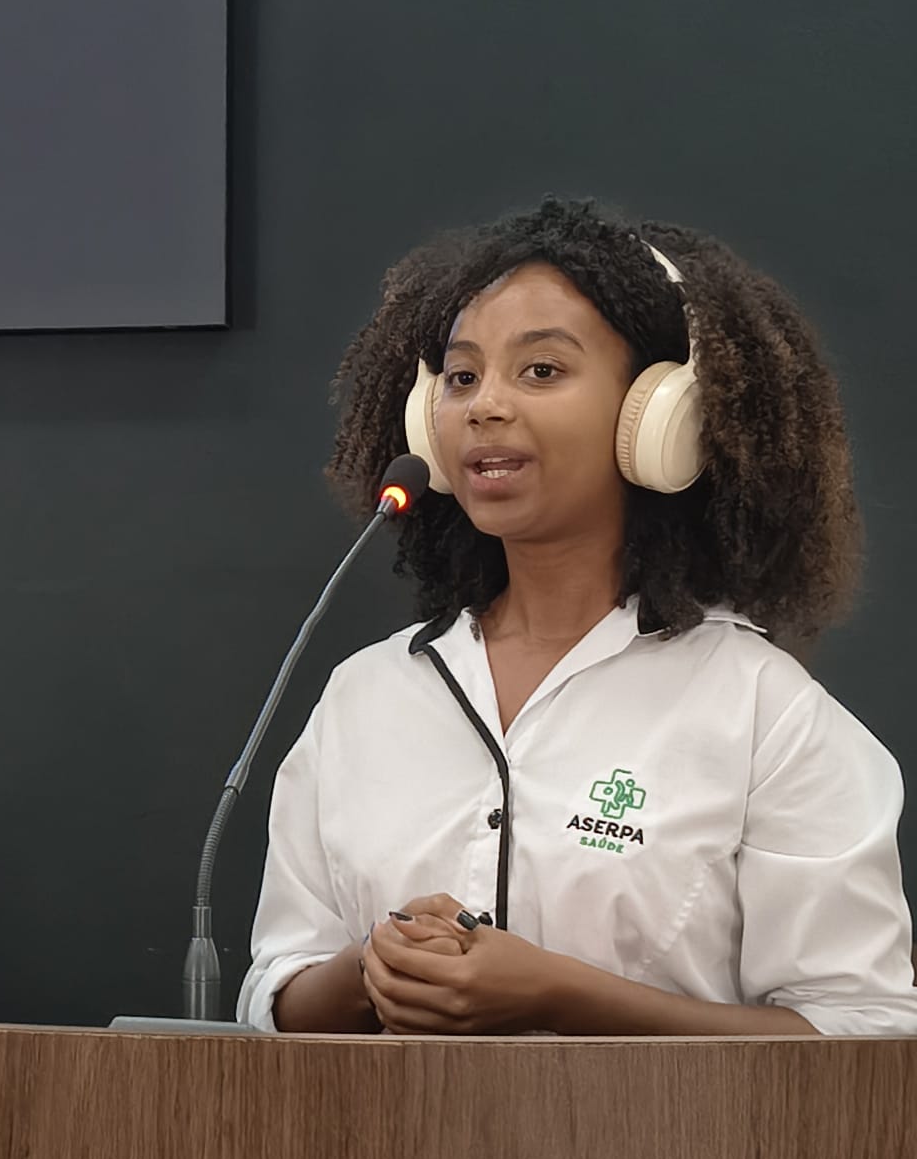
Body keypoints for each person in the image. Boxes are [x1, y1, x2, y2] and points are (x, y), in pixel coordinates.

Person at [237, 196, 917, 1037]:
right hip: (386, 1132)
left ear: (658, 417)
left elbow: (862, 1034)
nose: (484, 406)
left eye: (541, 371)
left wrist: (561, 993)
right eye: (461, 376)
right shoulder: (364, 696)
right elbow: (275, 994)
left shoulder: (761, 712)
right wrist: (370, 968)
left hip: (662, 1136)